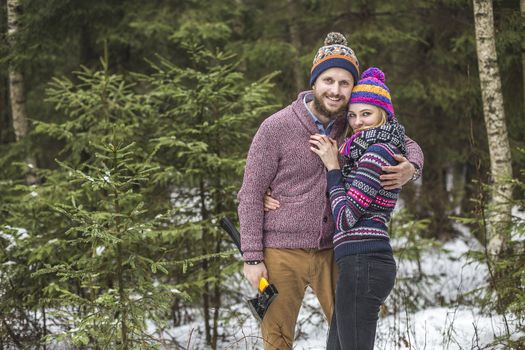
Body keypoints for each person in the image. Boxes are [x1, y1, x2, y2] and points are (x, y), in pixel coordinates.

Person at [237, 32, 424, 350]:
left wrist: (412, 167)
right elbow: (251, 192)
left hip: (335, 252)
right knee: (277, 340)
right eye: (328, 80)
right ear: (315, 81)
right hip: (282, 251)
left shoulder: (352, 123)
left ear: (354, 88)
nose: (335, 90)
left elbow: (402, 139)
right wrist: (252, 258)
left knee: (347, 335)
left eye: (344, 83)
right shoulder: (276, 127)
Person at [310, 67, 404, 349]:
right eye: (352, 115)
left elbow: (345, 215)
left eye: (366, 114)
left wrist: (333, 167)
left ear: (383, 114)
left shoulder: (377, 151)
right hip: (357, 263)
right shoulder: (363, 148)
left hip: (366, 262)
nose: (358, 121)